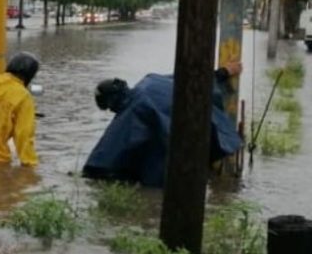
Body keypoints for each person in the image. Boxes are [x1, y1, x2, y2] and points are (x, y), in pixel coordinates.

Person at [82, 62, 244, 187]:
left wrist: (84, 175)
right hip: (211, 134)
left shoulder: (130, 114)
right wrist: (223, 72)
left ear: (111, 104)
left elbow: (104, 159)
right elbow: (190, 80)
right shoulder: (150, 80)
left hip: (178, 161)